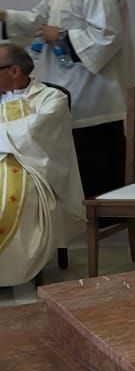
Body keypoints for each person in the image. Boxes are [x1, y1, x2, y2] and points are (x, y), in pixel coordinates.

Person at [2, 0, 135, 200]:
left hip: (97, 89)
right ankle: (99, 210)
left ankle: (128, 211)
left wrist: (61, 35)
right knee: (85, 155)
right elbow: (38, 19)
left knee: (104, 155)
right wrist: (5, 16)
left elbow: (107, 37)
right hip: (72, 83)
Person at [0, 43, 83, 288]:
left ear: (14, 71)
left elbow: (36, 131)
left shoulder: (51, 98)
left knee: (7, 202)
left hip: (33, 169)